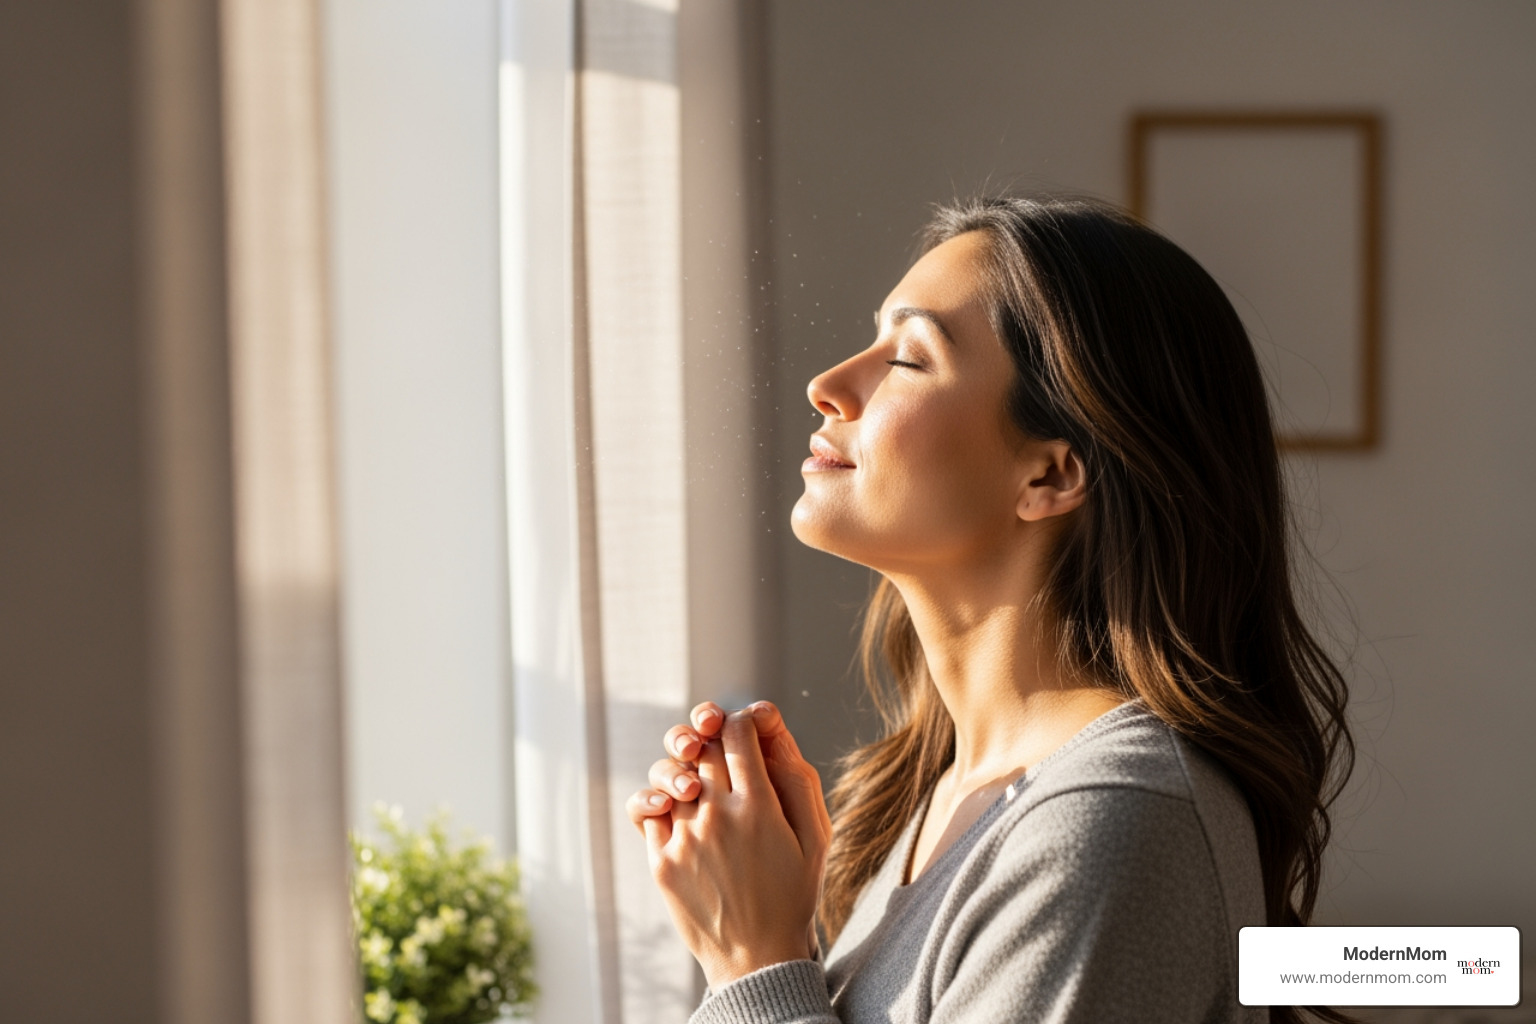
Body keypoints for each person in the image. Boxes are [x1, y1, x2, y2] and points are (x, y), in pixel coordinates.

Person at [626, 196, 1354, 1024]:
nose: (827, 386)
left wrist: (753, 963)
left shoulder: (1108, 820)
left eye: (907, 359)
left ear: (1048, 476)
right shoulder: (945, 803)